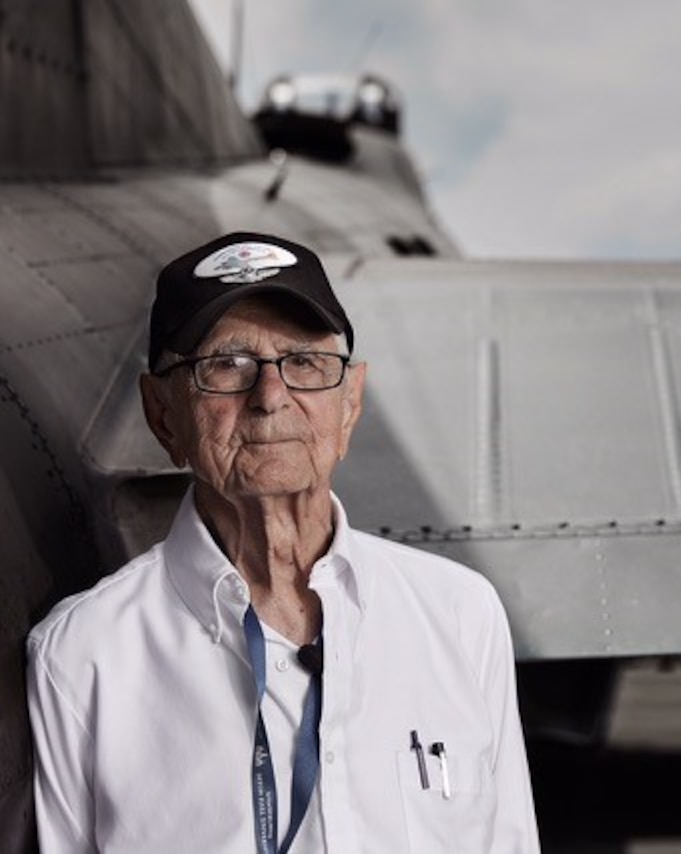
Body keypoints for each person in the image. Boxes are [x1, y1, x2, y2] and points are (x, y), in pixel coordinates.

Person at [26, 233, 540, 853]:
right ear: (163, 414)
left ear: (349, 403)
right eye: (226, 365)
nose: (270, 398)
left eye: (304, 363)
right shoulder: (81, 659)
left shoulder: (460, 616)